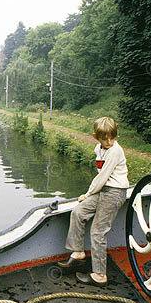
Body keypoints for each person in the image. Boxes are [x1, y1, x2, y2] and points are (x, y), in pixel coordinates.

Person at [57, 117, 129, 286]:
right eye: (105, 138)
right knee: (78, 212)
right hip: (103, 191)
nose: (109, 141)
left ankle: (99, 275)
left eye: (112, 137)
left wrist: (88, 193)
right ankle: (78, 253)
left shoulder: (115, 151)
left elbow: (102, 177)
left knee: (98, 232)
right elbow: (100, 177)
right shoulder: (99, 148)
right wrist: (90, 195)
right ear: (96, 137)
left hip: (114, 193)